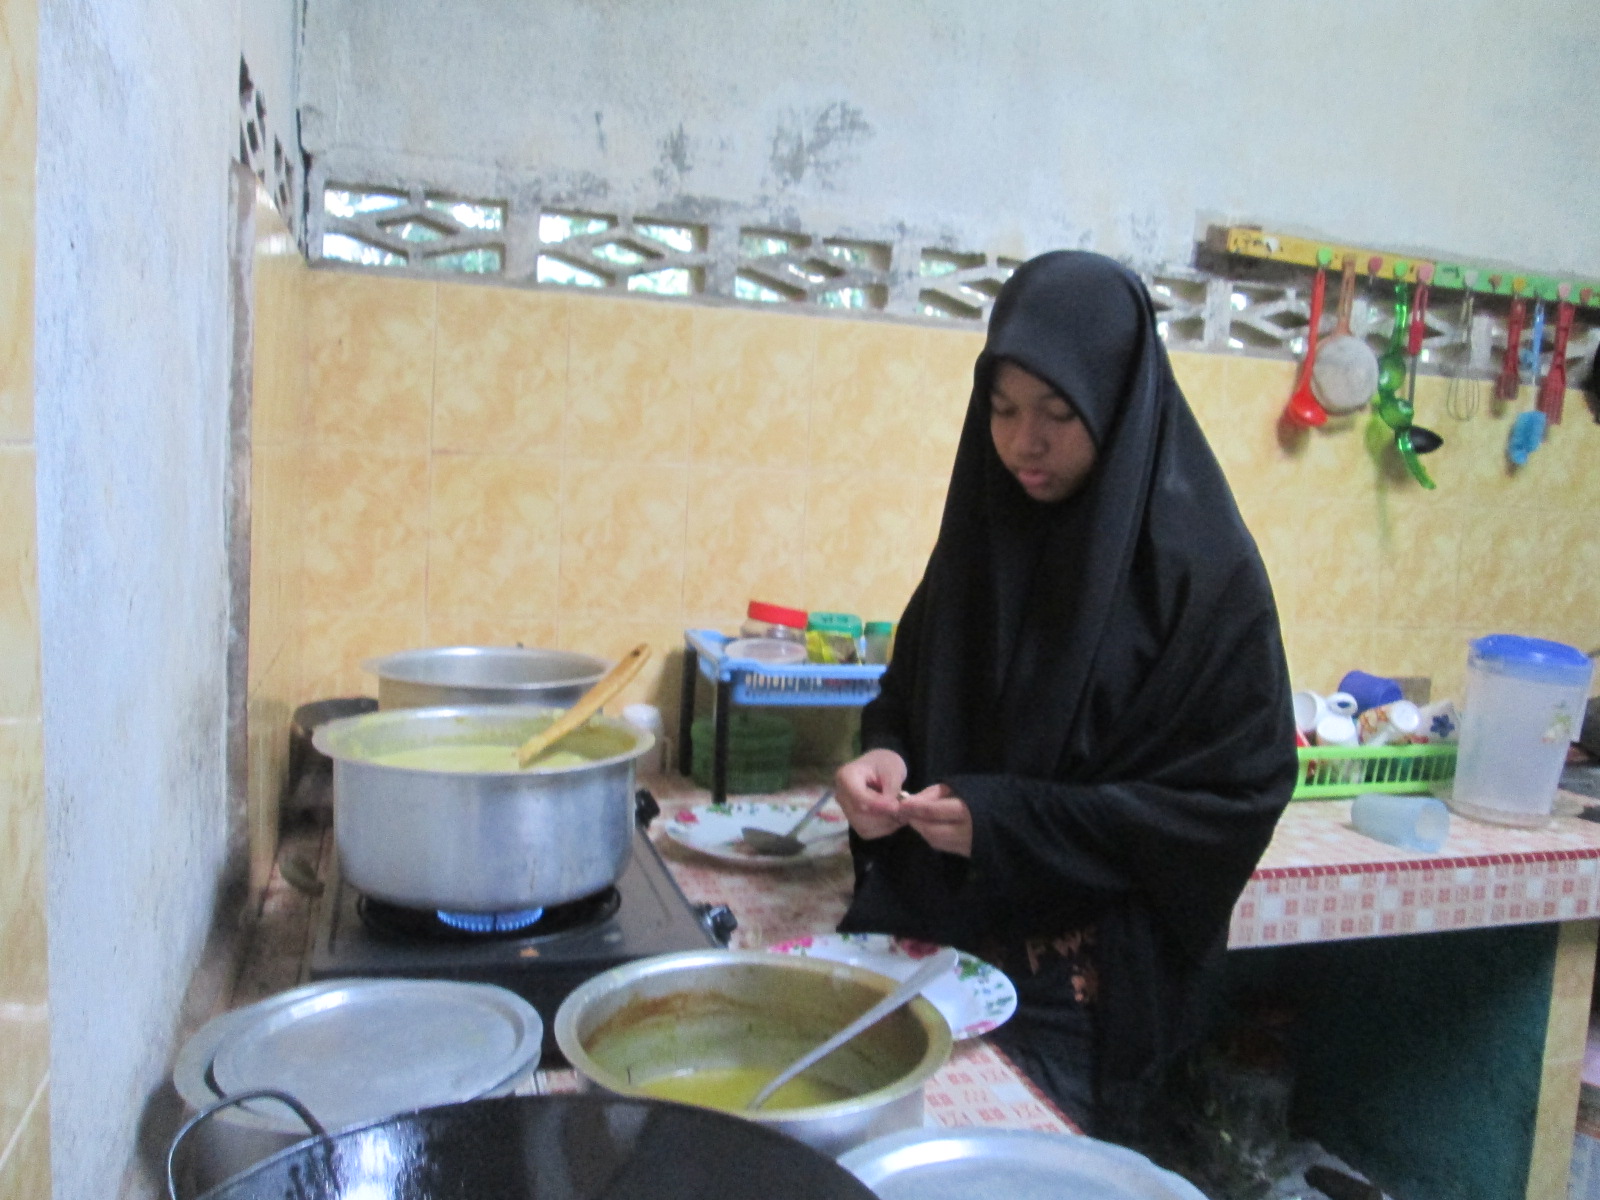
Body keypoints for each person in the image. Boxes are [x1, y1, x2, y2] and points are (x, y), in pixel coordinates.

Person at [833, 250, 1297, 1140]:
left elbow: (1232, 798)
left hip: (1088, 1002)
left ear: (1120, 405)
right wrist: (885, 758)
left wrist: (1009, 823)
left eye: (1058, 413)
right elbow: (909, 693)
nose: (1022, 443)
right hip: (938, 956)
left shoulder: (1202, 579)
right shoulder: (981, 536)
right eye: (1001, 410)